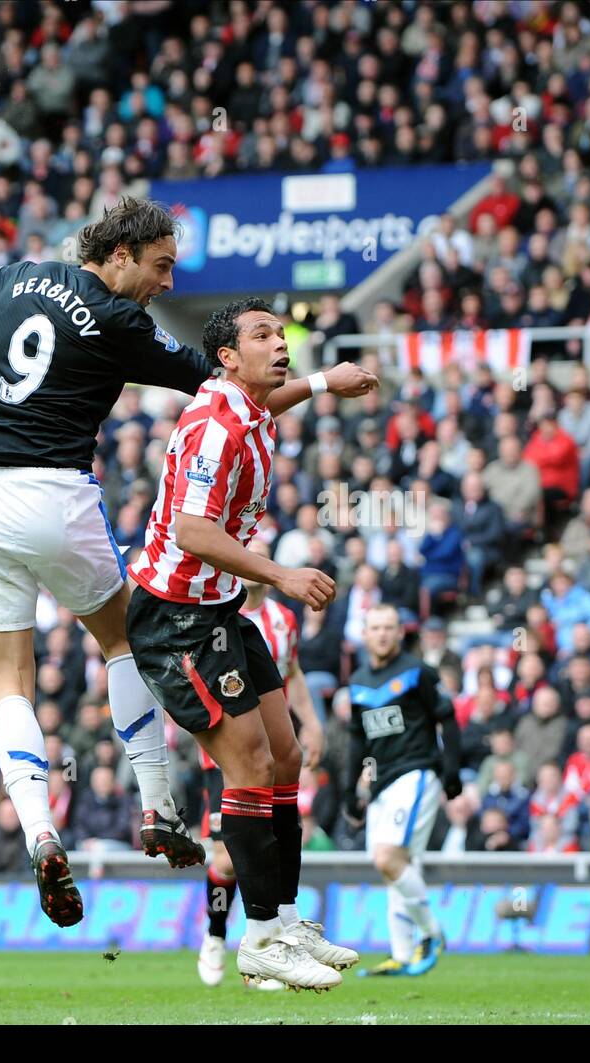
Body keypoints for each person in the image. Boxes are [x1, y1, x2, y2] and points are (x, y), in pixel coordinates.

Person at [0, 198, 374, 929]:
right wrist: (326, 382)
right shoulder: (121, 321)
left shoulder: (18, 277)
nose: (165, 284)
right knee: (124, 638)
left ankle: (41, 831)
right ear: (121, 254)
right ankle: (157, 803)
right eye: (161, 266)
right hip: (55, 492)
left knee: (7, 684)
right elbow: (240, 392)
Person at [127, 297, 368, 992]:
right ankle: (259, 938)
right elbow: (194, 530)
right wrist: (282, 574)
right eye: (262, 335)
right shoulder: (213, 424)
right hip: (176, 620)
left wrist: (326, 382)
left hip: (218, 607)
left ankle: (286, 921)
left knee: (287, 753)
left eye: (282, 333)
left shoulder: (248, 405)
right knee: (251, 763)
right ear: (229, 357)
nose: (280, 343)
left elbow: (275, 402)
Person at [196, 539, 326, 990]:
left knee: (268, 840)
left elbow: (290, 674)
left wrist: (312, 723)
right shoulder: (218, 616)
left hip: (273, 752)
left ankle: (270, 941)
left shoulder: (283, 620)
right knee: (226, 859)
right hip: (227, 753)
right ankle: (215, 935)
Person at [345, 604, 463, 977]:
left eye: (389, 627)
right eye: (375, 627)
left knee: (387, 857)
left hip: (415, 773)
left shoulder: (418, 672)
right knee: (394, 868)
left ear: (400, 633)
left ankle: (432, 932)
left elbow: (447, 717)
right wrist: (352, 793)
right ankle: (402, 952)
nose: (381, 634)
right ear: (365, 634)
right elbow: (355, 740)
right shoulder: (359, 681)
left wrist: (452, 770)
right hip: (380, 784)